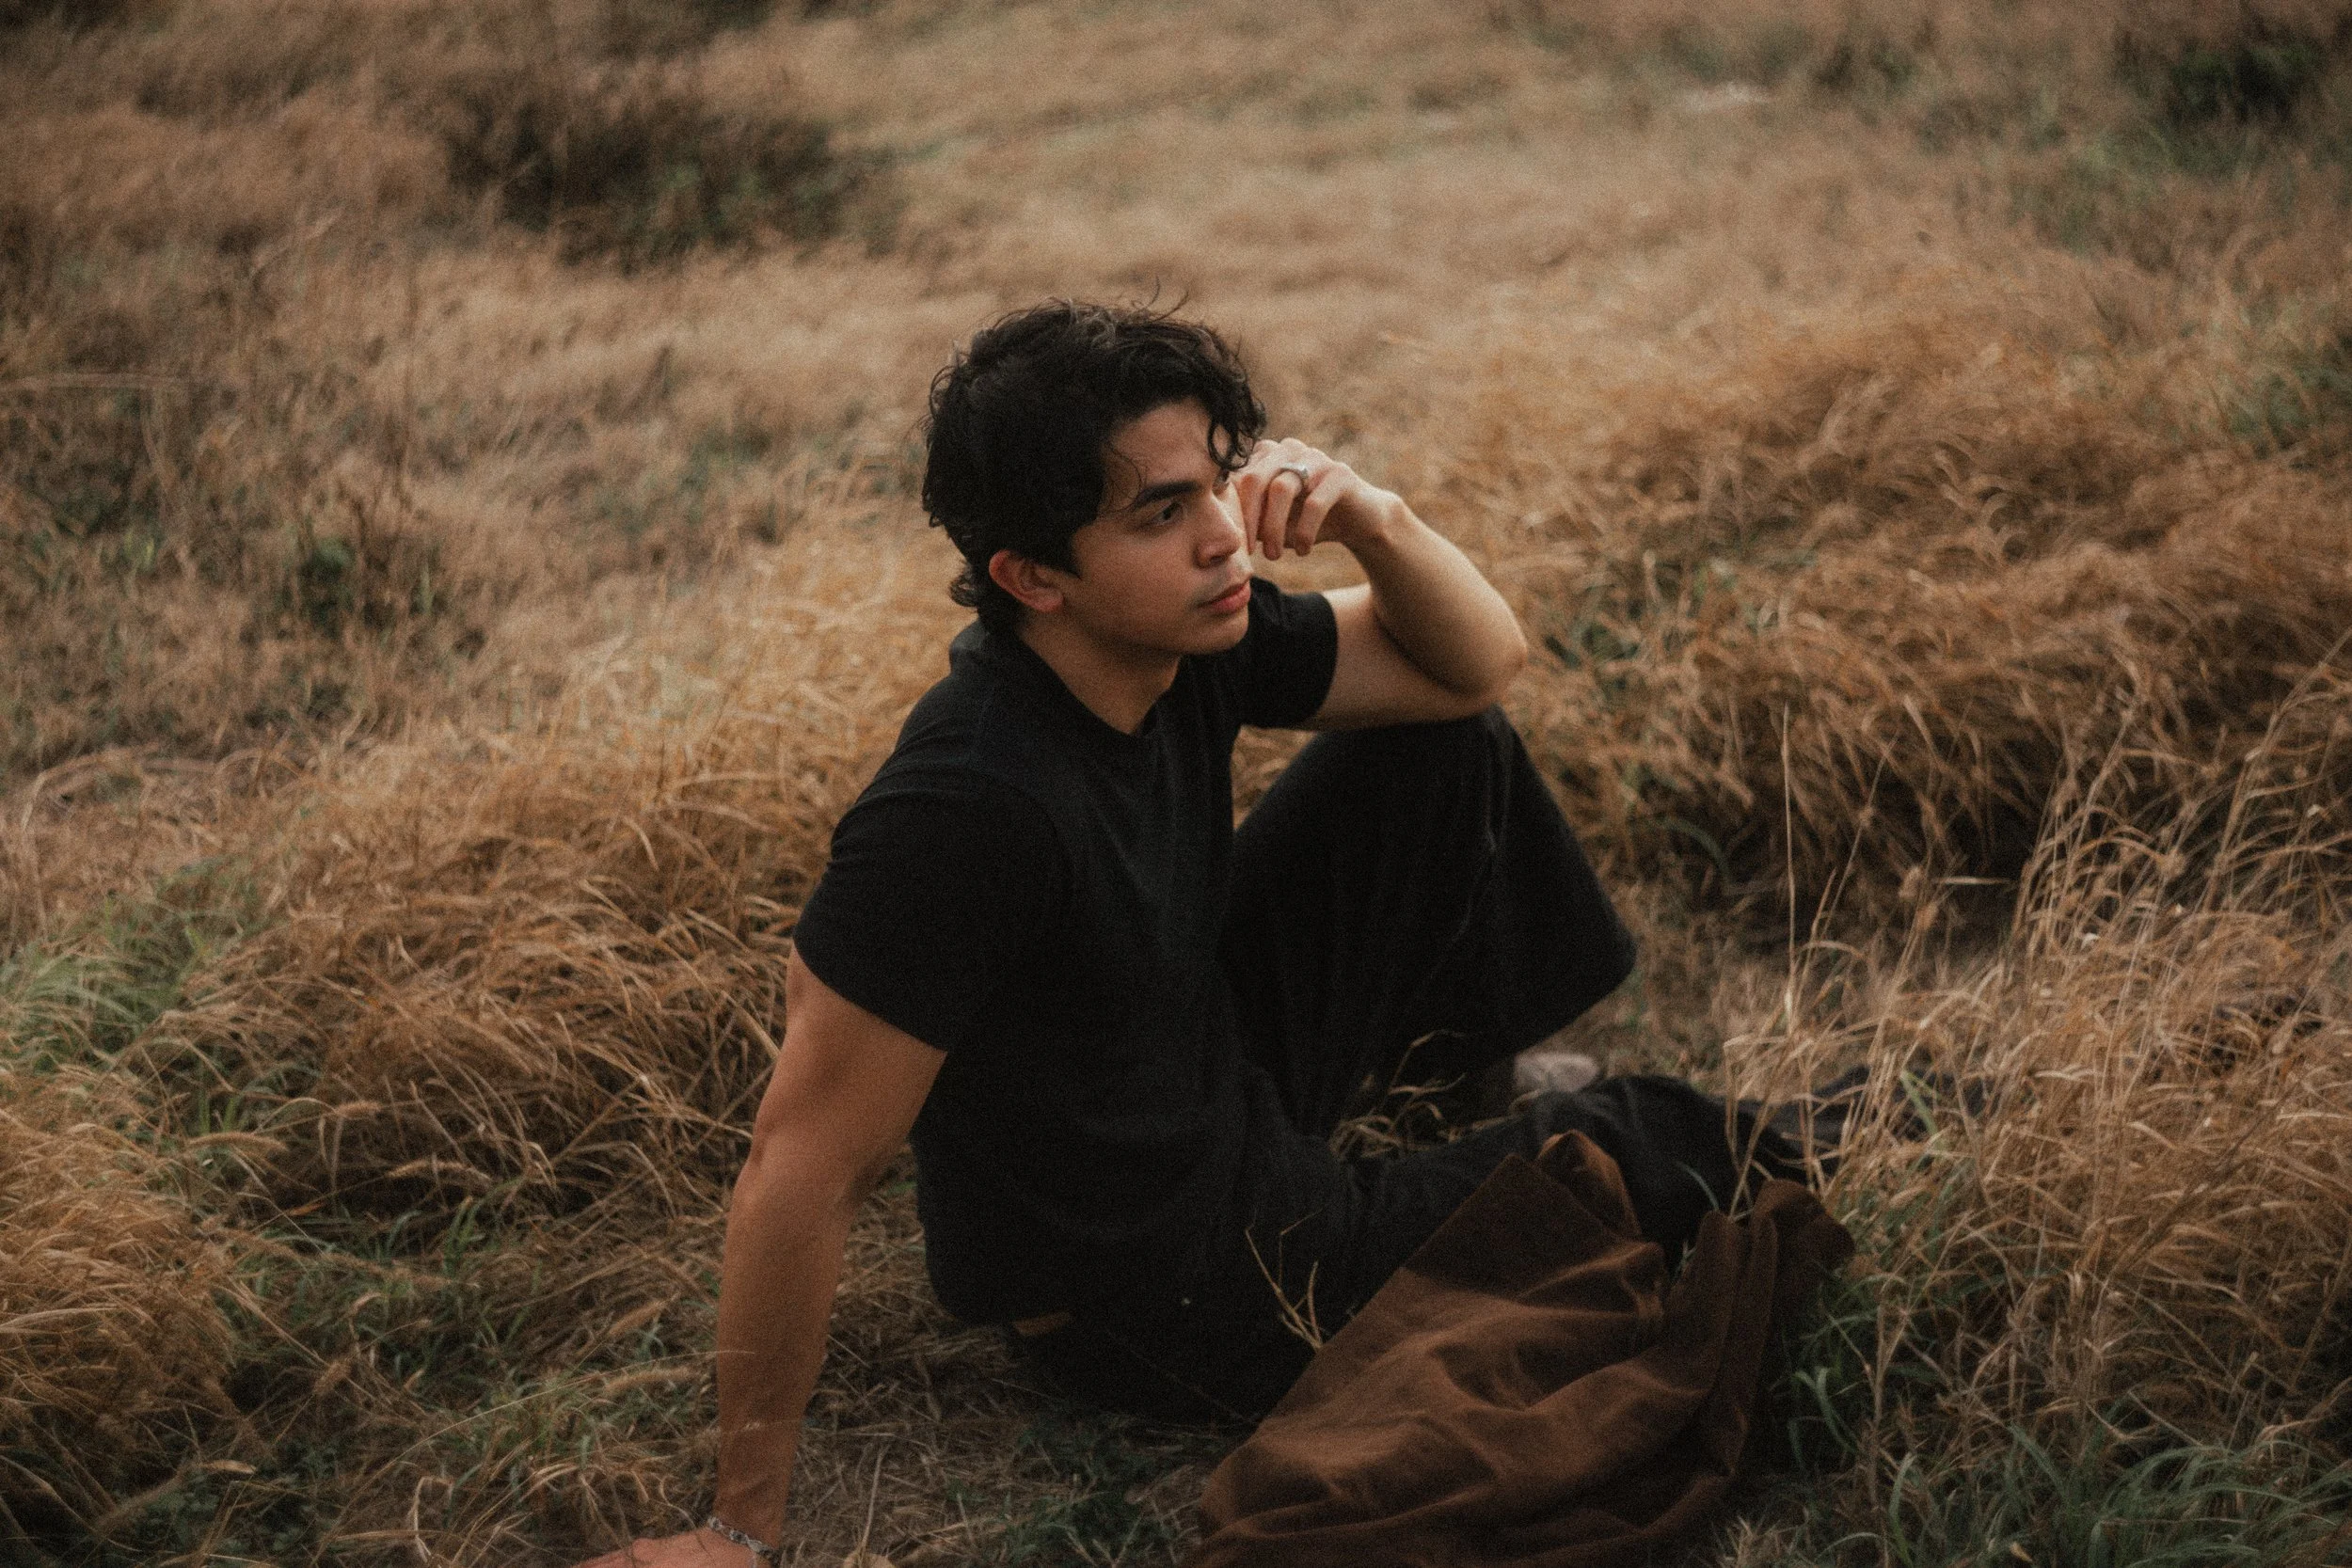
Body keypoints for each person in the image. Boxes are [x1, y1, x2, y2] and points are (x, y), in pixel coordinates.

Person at [587, 302, 1795, 1568]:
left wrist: (1370, 516)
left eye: (1221, 481)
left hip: (1206, 1077)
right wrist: (737, 1523)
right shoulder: (961, 813)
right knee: (1635, 1138)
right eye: (1161, 513)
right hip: (1162, 1288)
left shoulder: (1179, 633)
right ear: (1032, 576)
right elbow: (800, 1162)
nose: (1226, 538)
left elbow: (1478, 663)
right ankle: (1900, 1113)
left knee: (1446, 748)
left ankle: (1447, 1115)